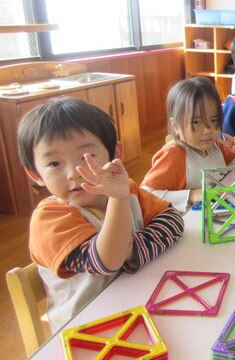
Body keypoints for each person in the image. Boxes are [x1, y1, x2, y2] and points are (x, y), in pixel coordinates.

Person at [17, 97, 184, 332]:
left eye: (86, 157)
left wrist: (135, 248)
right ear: (35, 174)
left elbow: (173, 219)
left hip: (139, 306)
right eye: (54, 164)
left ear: (115, 154)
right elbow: (107, 261)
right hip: (88, 330)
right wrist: (118, 199)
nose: (73, 173)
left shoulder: (129, 190)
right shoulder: (49, 219)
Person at [141, 77, 235, 212]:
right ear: (176, 125)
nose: (208, 131)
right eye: (196, 122)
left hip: (221, 213)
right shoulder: (173, 155)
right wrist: (191, 195)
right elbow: (146, 195)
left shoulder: (215, 146)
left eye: (214, 120)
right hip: (189, 221)